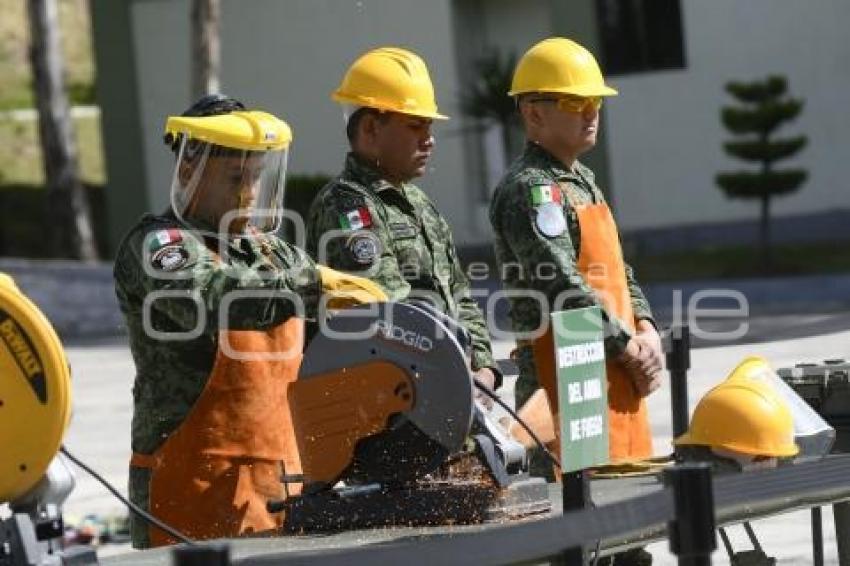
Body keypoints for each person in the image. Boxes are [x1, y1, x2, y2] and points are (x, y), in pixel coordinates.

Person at [113, 94, 385, 548]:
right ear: (188, 170)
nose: (250, 192)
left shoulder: (272, 251)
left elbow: (327, 337)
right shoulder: (158, 246)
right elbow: (216, 295)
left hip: (283, 487)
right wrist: (312, 283)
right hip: (190, 490)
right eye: (236, 177)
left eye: (257, 177)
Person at [490, 37, 663, 464]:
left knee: (626, 510)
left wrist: (646, 327)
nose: (590, 112)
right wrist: (629, 348)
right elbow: (561, 283)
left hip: (613, 374)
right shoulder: (532, 187)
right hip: (564, 384)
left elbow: (618, 271)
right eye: (574, 102)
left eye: (595, 102)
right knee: (574, 516)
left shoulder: (579, 178)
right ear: (533, 112)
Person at [306, 47, 501, 399]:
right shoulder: (347, 205)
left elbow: (457, 292)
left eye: (429, 126)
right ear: (369, 129)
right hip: (394, 406)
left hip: (446, 393)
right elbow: (392, 316)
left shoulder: (417, 202)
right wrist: (458, 376)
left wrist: (485, 370)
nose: (429, 139)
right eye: (415, 126)